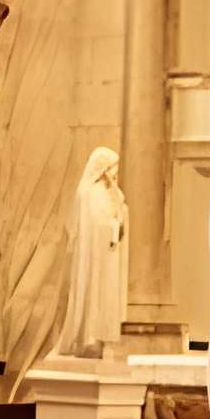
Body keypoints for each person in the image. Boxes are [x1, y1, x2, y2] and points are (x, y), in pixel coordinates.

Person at [58, 145, 128, 356]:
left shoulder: (108, 191)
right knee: (94, 292)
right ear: (104, 168)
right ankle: (89, 338)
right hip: (96, 255)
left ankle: (101, 337)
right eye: (113, 167)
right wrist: (114, 225)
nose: (116, 172)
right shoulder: (93, 192)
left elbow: (118, 212)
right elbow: (97, 223)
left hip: (106, 254)